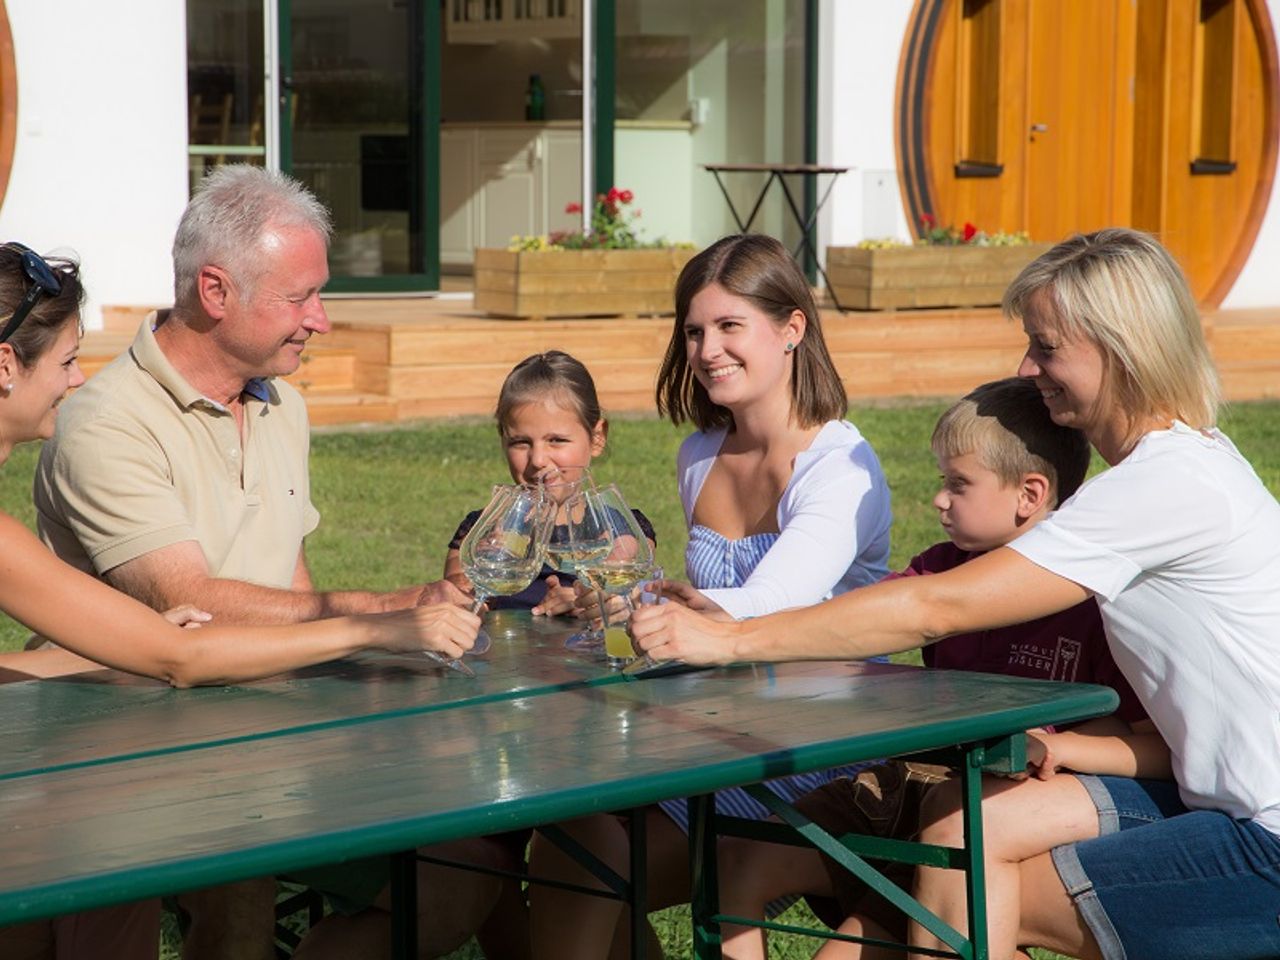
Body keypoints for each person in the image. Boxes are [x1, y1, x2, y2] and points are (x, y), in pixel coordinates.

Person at [630, 228, 1280, 960]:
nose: (1027, 365)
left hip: (1261, 834)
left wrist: (733, 639)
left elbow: (938, 606)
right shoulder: (1180, 466)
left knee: (960, 881)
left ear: (1120, 347)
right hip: (1208, 798)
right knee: (958, 842)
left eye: (1046, 345)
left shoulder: (1166, 485)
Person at [28, 165, 487, 960]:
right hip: (141, 753)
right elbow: (191, 602)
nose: (323, 320)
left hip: (278, 730)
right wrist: (379, 616)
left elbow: (289, 582)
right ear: (216, 292)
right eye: (300, 297)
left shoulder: (282, 401)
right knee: (246, 869)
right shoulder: (105, 424)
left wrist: (375, 659)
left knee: (468, 866)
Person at [713, 376, 1169, 960]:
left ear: (1029, 495)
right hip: (904, 788)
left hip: (984, 806)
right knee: (739, 858)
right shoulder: (938, 567)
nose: (938, 499)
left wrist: (1057, 747)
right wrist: (736, 627)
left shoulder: (1091, 601)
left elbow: (1141, 741)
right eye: (941, 481)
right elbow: (855, 625)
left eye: (959, 484)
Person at [527, 233, 893, 959]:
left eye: (730, 327)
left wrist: (651, 609)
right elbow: (698, 608)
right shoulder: (699, 454)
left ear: (792, 330)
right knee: (567, 833)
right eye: (694, 331)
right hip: (704, 729)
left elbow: (764, 605)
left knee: (588, 856)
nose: (706, 349)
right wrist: (615, 602)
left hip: (817, 745)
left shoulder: (841, 468)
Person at [443, 349, 656, 616]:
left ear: (597, 438)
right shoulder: (481, 530)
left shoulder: (618, 529)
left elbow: (623, 596)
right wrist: (490, 563)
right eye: (520, 442)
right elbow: (456, 600)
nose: (538, 460)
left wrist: (583, 600)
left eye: (556, 440)